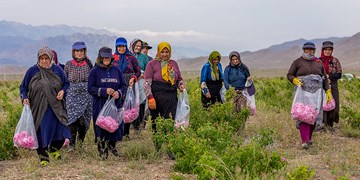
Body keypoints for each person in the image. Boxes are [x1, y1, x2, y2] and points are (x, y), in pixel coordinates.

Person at [20, 46, 71, 166]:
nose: (44, 61)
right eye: (41, 58)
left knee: (62, 131)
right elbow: (23, 87)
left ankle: (53, 149)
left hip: (56, 107)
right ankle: (43, 156)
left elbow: (66, 84)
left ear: (51, 58)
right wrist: (24, 98)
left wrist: (63, 91)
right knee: (41, 131)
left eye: (46, 58)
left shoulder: (57, 69)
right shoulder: (32, 71)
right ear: (38, 59)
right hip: (38, 107)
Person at [287, 41, 331, 149]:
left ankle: (309, 138)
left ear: (314, 51)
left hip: (317, 94)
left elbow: (324, 78)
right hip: (302, 93)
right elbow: (289, 75)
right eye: (307, 49)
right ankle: (305, 141)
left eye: (311, 49)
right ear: (304, 50)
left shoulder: (318, 62)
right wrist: (295, 80)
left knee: (313, 116)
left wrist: (328, 91)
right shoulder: (297, 62)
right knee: (303, 115)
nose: (309, 51)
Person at [88, 47, 127, 160]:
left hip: (115, 103)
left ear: (111, 58)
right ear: (100, 57)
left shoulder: (117, 71)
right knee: (101, 126)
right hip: (100, 104)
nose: (106, 59)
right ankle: (102, 149)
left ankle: (112, 146)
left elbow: (123, 85)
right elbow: (90, 89)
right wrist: (104, 91)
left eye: (108, 57)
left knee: (115, 125)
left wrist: (119, 92)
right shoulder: (94, 72)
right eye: (104, 57)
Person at [143, 42, 185, 134]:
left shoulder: (173, 63)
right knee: (157, 123)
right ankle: (158, 145)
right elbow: (146, 83)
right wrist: (150, 98)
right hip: (157, 98)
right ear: (158, 52)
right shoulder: (152, 64)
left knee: (171, 120)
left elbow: (179, 79)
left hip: (171, 98)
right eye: (162, 52)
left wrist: (181, 85)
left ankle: (169, 144)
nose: (165, 54)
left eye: (167, 52)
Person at [64, 41, 93, 152]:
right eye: (77, 51)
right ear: (73, 52)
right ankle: (71, 145)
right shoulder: (68, 64)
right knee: (72, 120)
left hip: (86, 95)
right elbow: (65, 80)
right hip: (72, 96)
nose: (79, 53)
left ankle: (81, 143)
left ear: (84, 52)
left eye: (81, 51)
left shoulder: (89, 65)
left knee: (84, 120)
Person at [113, 37, 141, 139]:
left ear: (126, 47)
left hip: (129, 85)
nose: (121, 48)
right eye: (119, 46)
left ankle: (126, 133)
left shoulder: (131, 58)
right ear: (116, 47)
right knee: (117, 107)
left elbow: (138, 72)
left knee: (128, 108)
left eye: (123, 46)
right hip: (117, 85)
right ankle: (116, 132)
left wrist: (134, 78)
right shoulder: (113, 57)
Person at [320, 41, 342, 132]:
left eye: (329, 50)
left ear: (331, 51)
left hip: (333, 85)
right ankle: (323, 125)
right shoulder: (318, 61)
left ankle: (330, 124)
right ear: (323, 50)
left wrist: (329, 76)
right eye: (326, 49)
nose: (327, 51)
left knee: (334, 105)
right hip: (321, 86)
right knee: (323, 105)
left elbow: (339, 74)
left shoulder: (335, 61)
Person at [130, 38, 149, 133]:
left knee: (141, 102)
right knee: (131, 101)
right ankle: (129, 124)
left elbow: (148, 70)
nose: (138, 47)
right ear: (133, 46)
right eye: (136, 46)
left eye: (139, 46)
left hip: (141, 82)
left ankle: (138, 125)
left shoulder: (144, 57)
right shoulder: (128, 56)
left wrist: (142, 74)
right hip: (131, 82)